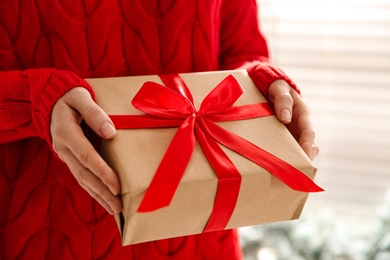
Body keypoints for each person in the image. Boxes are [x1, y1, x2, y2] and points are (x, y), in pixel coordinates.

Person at [0, 0, 319, 259]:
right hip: (46, 236)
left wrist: (262, 78)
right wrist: (32, 98)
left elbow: (241, 48)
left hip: (200, 236)